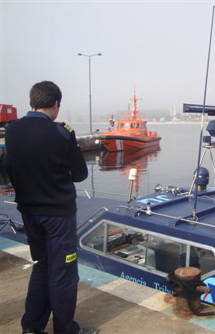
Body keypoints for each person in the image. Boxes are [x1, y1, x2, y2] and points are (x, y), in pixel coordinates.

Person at [5, 81, 97, 334]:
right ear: (56, 104)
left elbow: (10, 169)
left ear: (32, 102)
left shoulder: (12, 130)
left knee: (42, 266)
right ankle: (66, 330)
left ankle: (32, 327)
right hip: (58, 216)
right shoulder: (62, 133)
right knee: (64, 274)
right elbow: (79, 174)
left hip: (29, 213)